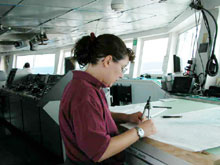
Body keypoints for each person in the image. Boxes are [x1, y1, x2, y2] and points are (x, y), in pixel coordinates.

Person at [59, 33, 156, 165]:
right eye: (122, 67)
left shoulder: (87, 87)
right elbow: (100, 151)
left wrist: (126, 117)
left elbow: (95, 116)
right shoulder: (84, 94)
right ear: (108, 61)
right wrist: (140, 131)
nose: (121, 75)